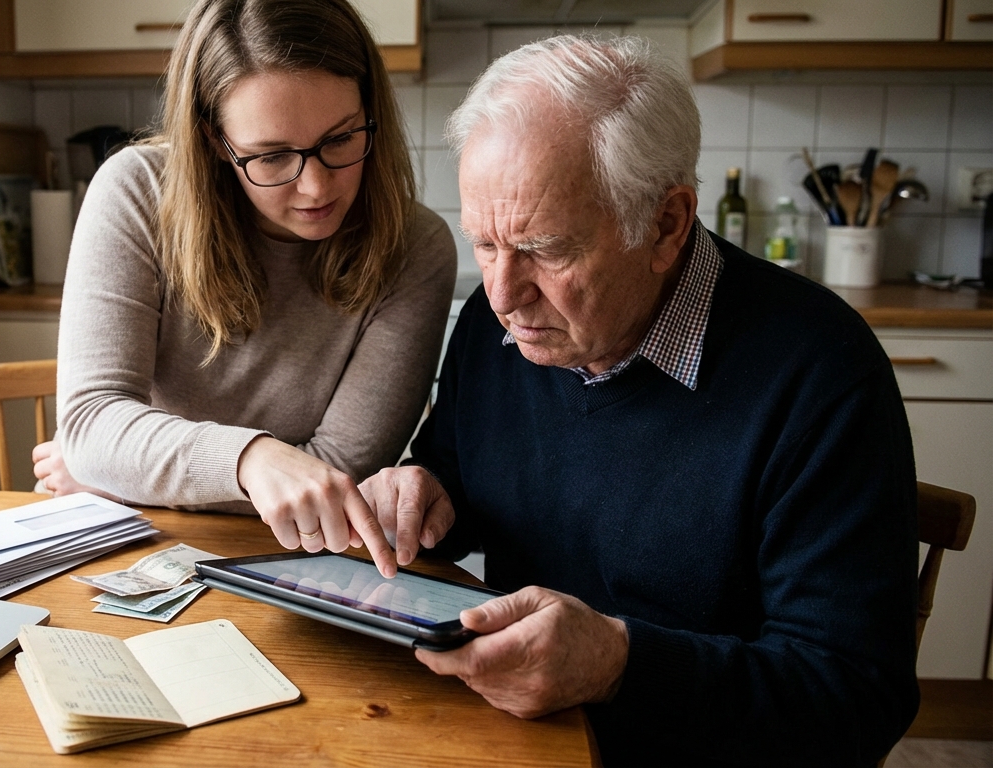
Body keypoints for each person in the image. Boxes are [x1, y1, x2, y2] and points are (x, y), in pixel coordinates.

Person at [358, 35, 920, 766]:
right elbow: (461, 476)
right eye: (485, 246)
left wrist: (618, 665)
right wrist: (422, 494)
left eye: (545, 249)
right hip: (512, 736)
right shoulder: (500, 330)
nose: (502, 295)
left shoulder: (821, 373)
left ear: (665, 225)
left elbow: (856, 697)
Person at [35, 0, 456, 577]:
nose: (316, 186)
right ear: (214, 140)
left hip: (293, 565)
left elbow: (336, 478)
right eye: (272, 156)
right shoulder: (136, 192)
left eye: (340, 139)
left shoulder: (417, 248)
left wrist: (123, 472)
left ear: (370, 111)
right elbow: (92, 423)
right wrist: (250, 461)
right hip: (130, 549)